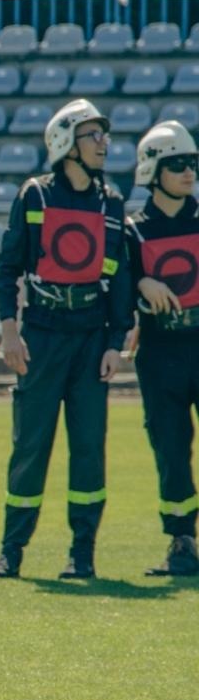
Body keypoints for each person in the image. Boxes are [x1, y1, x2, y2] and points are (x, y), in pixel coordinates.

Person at [0, 98, 134, 580]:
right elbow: (7, 270)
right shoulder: (35, 197)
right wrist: (9, 330)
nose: (103, 144)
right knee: (30, 446)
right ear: (64, 143)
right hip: (41, 335)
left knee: (89, 448)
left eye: (103, 136)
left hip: (92, 339)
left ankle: (82, 553)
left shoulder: (113, 202)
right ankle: (12, 552)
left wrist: (115, 341)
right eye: (93, 136)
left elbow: (122, 282)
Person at [125, 120, 199, 576]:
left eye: (192, 163)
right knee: (170, 448)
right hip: (159, 351)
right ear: (152, 170)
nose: (189, 172)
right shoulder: (132, 230)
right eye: (177, 164)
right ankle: (182, 543)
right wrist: (140, 282)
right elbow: (116, 286)